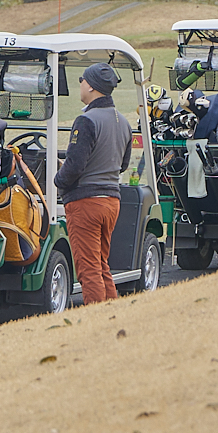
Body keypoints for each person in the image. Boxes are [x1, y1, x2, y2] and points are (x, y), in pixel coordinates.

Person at [55, 62, 132, 305]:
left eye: (82, 81)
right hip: (111, 200)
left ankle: (95, 320)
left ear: (90, 86)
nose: (80, 85)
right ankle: (110, 314)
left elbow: (75, 165)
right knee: (100, 264)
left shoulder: (86, 120)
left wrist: (58, 179)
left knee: (87, 269)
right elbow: (123, 164)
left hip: (86, 203)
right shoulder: (124, 121)